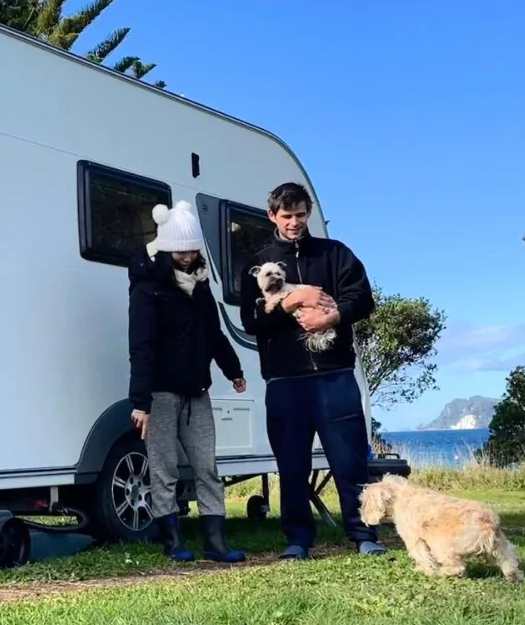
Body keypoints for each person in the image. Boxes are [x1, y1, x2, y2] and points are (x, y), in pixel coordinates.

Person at [239, 181, 386, 560]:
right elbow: (252, 322)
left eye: (301, 215)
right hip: (285, 379)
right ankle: (297, 540)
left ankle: (364, 534)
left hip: (334, 374)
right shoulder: (257, 263)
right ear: (272, 215)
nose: (295, 223)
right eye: (287, 216)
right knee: (291, 466)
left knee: (350, 461)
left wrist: (333, 316)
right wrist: (293, 302)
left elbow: (363, 299)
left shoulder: (335, 254)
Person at [128, 200, 248, 563]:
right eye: (180, 250)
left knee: (207, 467)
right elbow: (141, 346)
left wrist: (234, 370)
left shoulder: (201, 287)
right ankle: (173, 542)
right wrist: (141, 402)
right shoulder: (148, 288)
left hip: (198, 391)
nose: (187, 256)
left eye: (192, 249)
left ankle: (216, 543)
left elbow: (214, 334)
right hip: (161, 393)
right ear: (167, 249)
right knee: (162, 468)